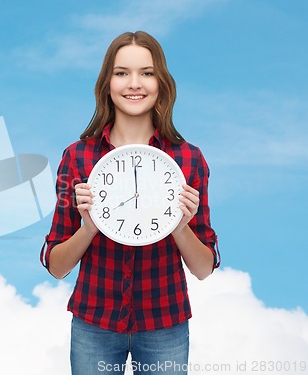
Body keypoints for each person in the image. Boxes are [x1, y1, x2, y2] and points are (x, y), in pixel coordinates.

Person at [40, 31, 220, 375]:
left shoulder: (188, 160)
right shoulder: (77, 157)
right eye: (122, 72)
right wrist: (89, 227)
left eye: (146, 73)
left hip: (165, 322)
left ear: (161, 83)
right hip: (94, 321)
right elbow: (56, 265)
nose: (134, 84)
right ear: (107, 82)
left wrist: (180, 227)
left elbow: (203, 268)